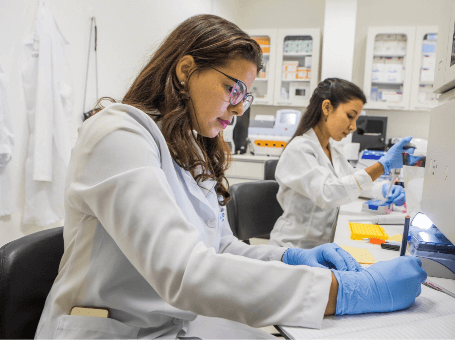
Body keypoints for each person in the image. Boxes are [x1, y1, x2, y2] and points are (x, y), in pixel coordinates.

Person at [34, 15, 426, 340]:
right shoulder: (118, 135)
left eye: (246, 95)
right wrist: (348, 293)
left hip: (170, 325)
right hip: (110, 331)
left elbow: (219, 248)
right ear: (186, 70)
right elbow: (185, 272)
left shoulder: (186, 146)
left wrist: (292, 258)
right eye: (232, 87)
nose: (239, 108)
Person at [269, 78, 412, 249]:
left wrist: (383, 189)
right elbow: (328, 193)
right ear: (327, 107)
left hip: (321, 246)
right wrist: (382, 165)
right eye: (350, 116)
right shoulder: (299, 149)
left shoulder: (332, 151)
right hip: (294, 248)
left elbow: (351, 182)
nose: (353, 127)